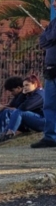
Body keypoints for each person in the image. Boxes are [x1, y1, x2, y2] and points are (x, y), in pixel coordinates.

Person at [0, 75, 45, 140]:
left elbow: (23, 107)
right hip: (37, 118)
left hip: (44, 121)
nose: (25, 87)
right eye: (24, 86)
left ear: (35, 84)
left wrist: (4, 107)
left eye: (27, 85)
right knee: (15, 111)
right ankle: (1, 133)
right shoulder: (31, 93)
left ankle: (8, 133)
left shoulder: (39, 95)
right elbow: (16, 105)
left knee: (19, 112)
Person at [34, 14, 56, 149]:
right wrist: (49, 38)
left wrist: (49, 37)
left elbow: (51, 37)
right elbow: (42, 41)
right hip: (51, 70)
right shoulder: (53, 22)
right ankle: (50, 137)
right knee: (49, 105)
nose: (54, 3)